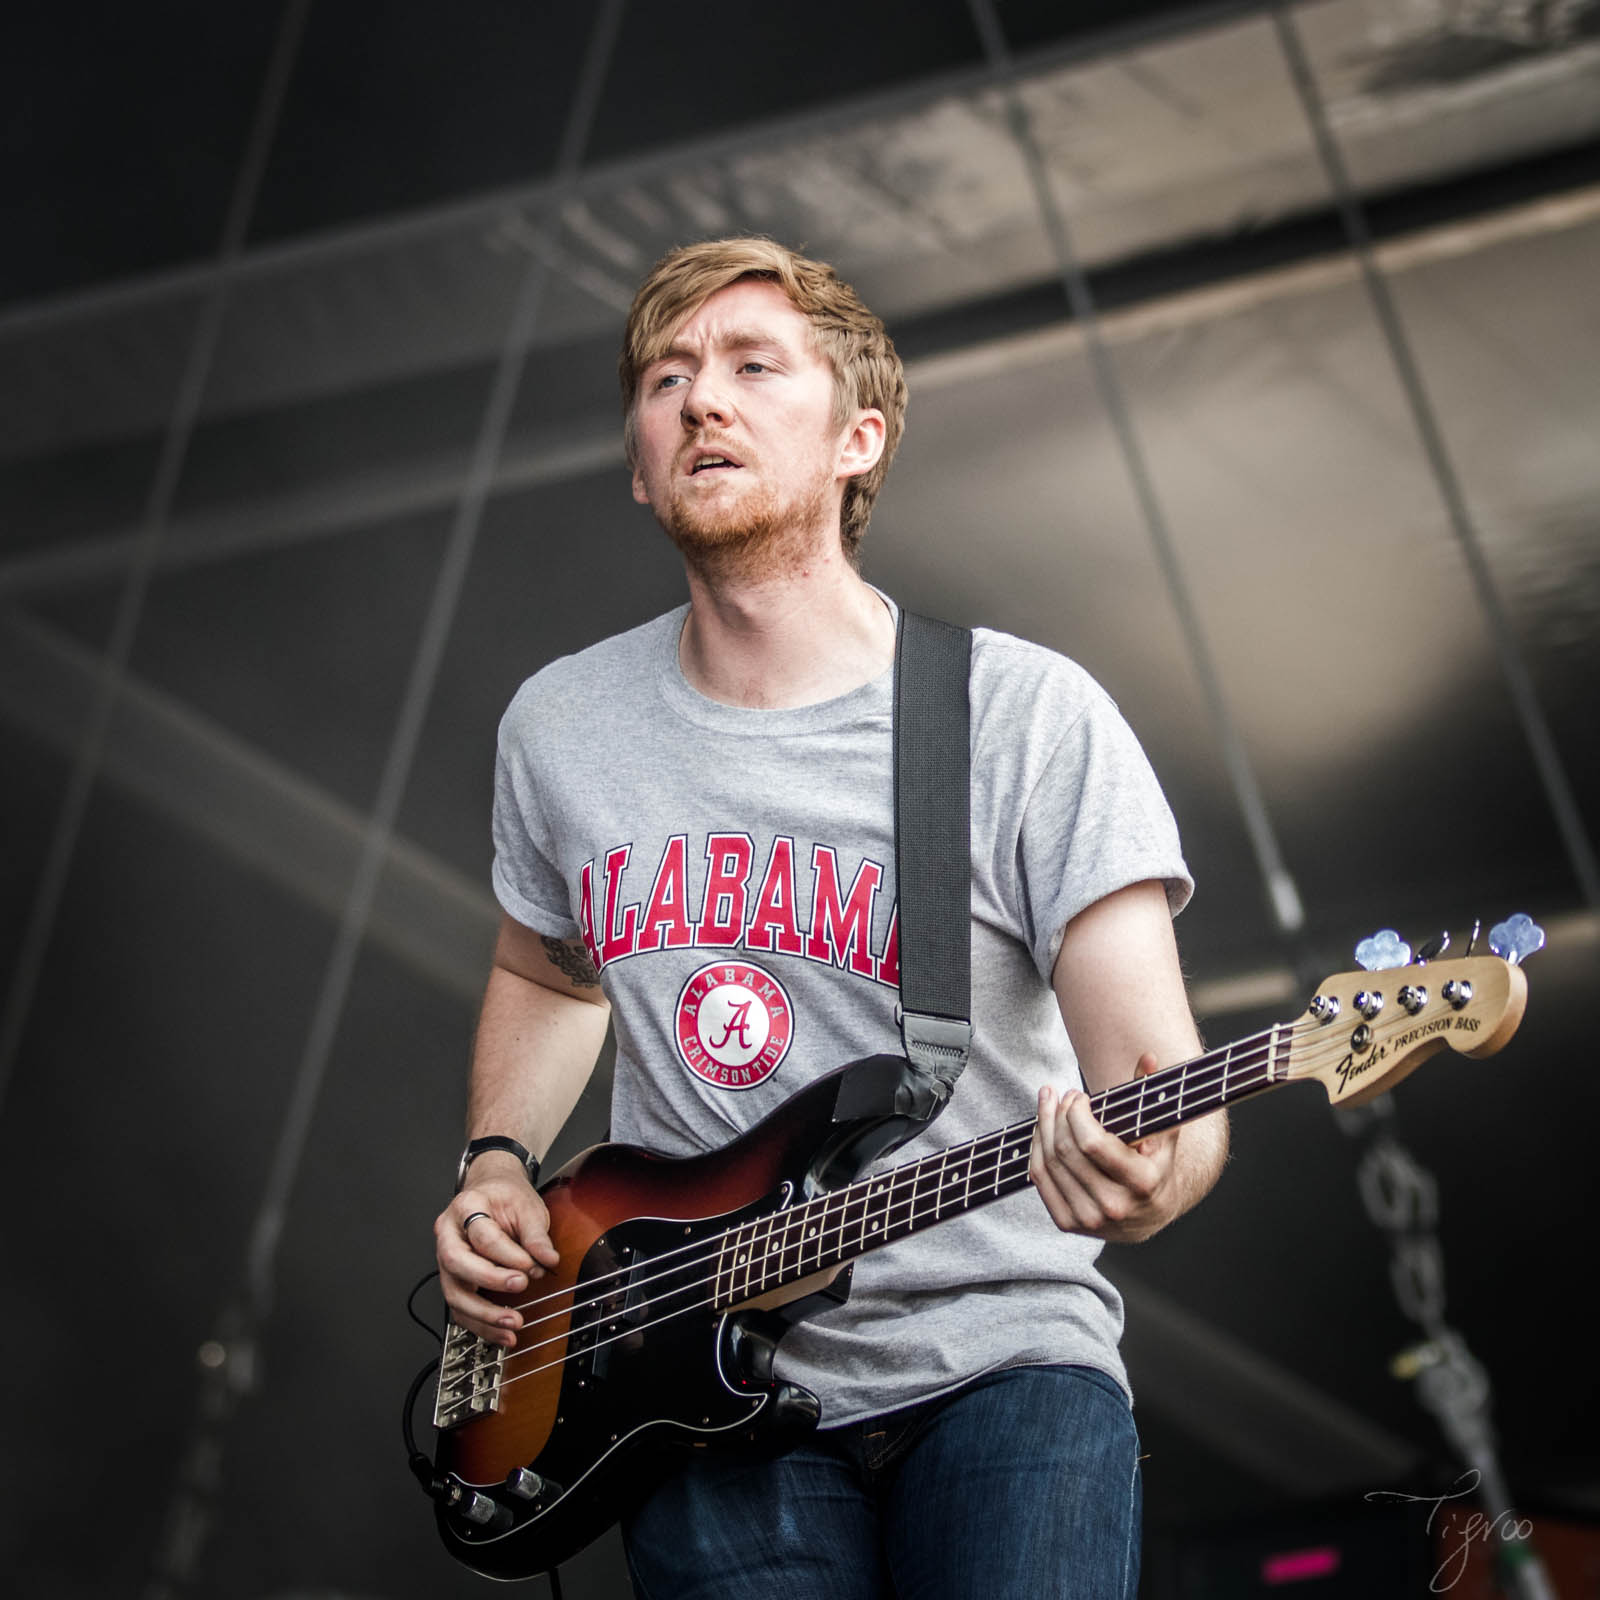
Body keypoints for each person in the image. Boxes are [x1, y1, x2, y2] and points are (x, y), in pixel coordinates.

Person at [432, 236, 1228, 1598]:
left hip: (1004, 1366)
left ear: (861, 440)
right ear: (638, 462)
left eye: (752, 366)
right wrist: (499, 1161)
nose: (701, 401)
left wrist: (1157, 1175)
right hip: (679, 1380)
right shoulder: (563, 726)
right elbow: (553, 972)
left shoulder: (1025, 718)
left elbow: (1165, 1095)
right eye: (667, 378)